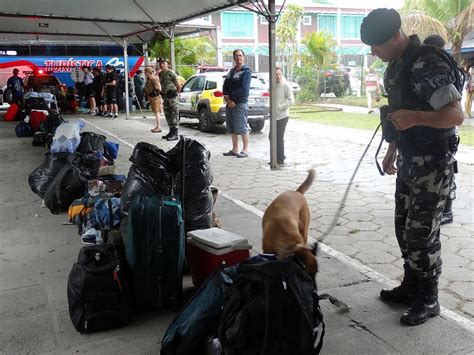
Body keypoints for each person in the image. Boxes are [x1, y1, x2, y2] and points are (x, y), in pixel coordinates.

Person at [360, 8, 464, 326]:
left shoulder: (427, 61)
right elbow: (400, 114)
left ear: (396, 36)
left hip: (434, 165)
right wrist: (392, 150)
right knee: (403, 229)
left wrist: (416, 118)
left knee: (422, 236)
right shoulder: (396, 67)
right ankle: (411, 286)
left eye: (378, 46)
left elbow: (455, 115)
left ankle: (428, 298)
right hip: (408, 160)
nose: (375, 53)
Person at [422, 34, 459, 225]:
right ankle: (445, 209)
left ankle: (447, 210)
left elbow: (456, 115)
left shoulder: (440, 65)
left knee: (448, 172)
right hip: (442, 131)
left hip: (445, 132)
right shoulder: (445, 62)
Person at [222, 49, 252, 158]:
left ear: (243, 57)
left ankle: (245, 150)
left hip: (239, 104)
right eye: (236, 56)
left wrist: (231, 98)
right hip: (229, 103)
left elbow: (244, 89)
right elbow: (225, 85)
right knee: (231, 127)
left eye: (240, 55)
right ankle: (235, 149)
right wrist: (227, 99)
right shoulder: (231, 71)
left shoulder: (246, 72)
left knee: (242, 127)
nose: (238, 58)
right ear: (233, 58)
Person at [271, 67, 295, 166]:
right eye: (276, 74)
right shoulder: (272, 86)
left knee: (279, 138)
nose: (278, 76)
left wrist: (280, 107)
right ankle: (275, 157)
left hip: (283, 116)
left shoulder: (286, 86)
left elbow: (291, 101)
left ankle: (280, 160)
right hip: (274, 117)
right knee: (271, 137)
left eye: (280, 74)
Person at [158, 58, 181, 141]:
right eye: (160, 63)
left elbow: (178, 86)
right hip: (166, 97)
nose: (161, 64)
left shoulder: (171, 73)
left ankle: (175, 134)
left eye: (163, 63)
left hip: (172, 97)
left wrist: (175, 94)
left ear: (167, 63)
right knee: (168, 115)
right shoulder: (160, 74)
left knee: (174, 115)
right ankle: (171, 132)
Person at [144, 67, 162, 133]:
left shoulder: (153, 79)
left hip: (155, 97)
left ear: (148, 72)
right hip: (152, 97)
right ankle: (157, 126)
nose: (144, 73)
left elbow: (158, 88)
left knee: (157, 112)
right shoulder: (149, 79)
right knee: (155, 112)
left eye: (145, 72)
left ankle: (159, 127)